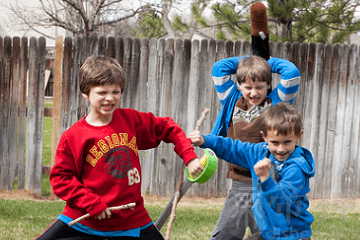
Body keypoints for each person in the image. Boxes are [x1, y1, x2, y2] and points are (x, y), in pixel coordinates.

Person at [35, 55, 203, 240]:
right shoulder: (74, 136)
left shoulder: (131, 121)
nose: (109, 98)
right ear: (85, 92)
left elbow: (167, 128)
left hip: (132, 221)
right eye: (102, 92)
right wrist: (90, 202)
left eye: (115, 92)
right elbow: (61, 178)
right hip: (84, 221)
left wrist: (190, 157)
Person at [190, 102, 315, 240]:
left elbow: (280, 203)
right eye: (275, 142)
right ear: (265, 137)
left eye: (287, 142)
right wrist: (205, 140)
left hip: (293, 235)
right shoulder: (259, 152)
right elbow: (232, 148)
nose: (281, 149)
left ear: (298, 136)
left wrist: (265, 178)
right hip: (271, 233)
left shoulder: (297, 168)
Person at [209, 52, 301, 239]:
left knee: (272, 235)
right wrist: (247, 60)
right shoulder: (231, 99)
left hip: (270, 183)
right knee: (224, 235)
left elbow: (291, 73)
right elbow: (219, 69)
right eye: (248, 87)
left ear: (268, 85)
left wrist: (267, 62)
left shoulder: (276, 103)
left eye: (259, 87)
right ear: (239, 85)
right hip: (240, 182)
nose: (253, 92)